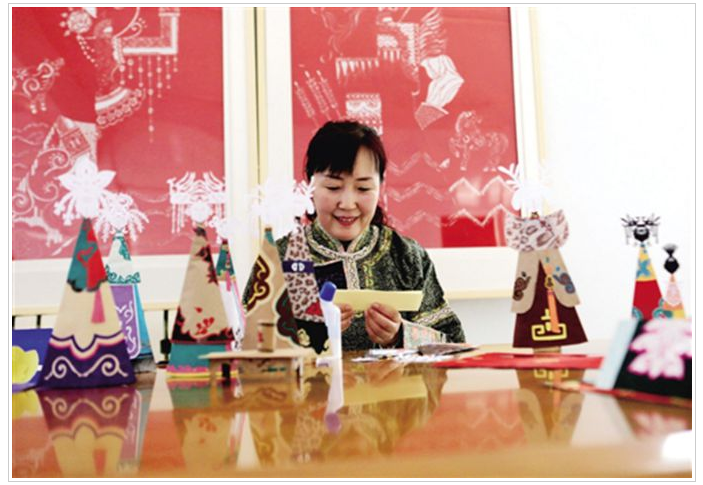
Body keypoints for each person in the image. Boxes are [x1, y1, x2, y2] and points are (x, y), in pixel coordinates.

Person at [245, 120, 465, 350]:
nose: (348, 203)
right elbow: (246, 345)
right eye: (333, 187)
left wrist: (400, 335)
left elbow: (455, 345)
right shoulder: (279, 257)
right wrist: (310, 334)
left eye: (363, 188)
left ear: (380, 186)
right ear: (309, 185)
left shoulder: (407, 256)